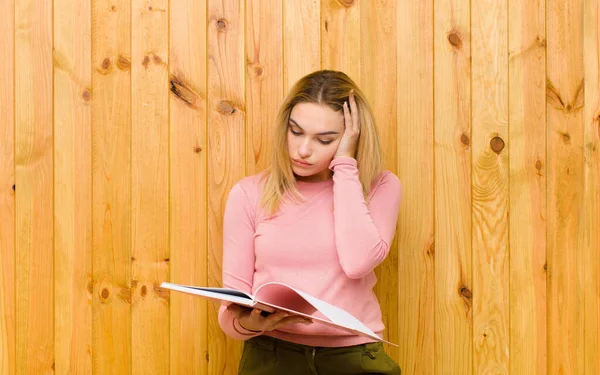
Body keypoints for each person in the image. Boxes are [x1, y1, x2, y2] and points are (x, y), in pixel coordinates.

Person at [218, 70, 402, 375]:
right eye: (296, 131)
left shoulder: (380, 186)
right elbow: (231, 307)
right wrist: (249, 322)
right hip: (271, 354)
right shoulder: (248, 194)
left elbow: (357, 263)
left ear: (351, 137)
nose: (303, 150)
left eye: (325, 139)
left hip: (354, 357)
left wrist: (345, 165)